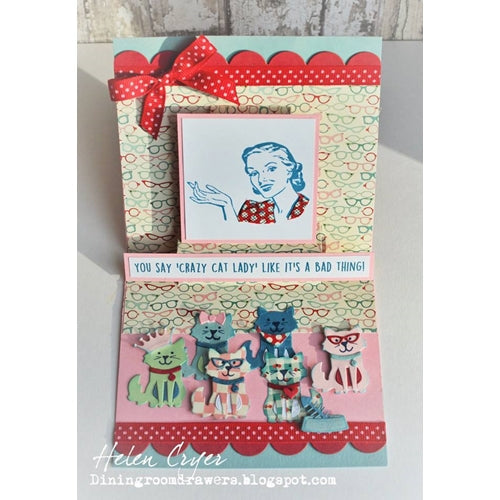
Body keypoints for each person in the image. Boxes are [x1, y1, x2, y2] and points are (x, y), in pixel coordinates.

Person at [187, 142, 309, 224]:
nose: (261, 179)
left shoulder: (308, 209)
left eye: (271, 169)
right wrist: (226, 204)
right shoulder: (252, 211)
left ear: (289, 170)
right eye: (254, 173)